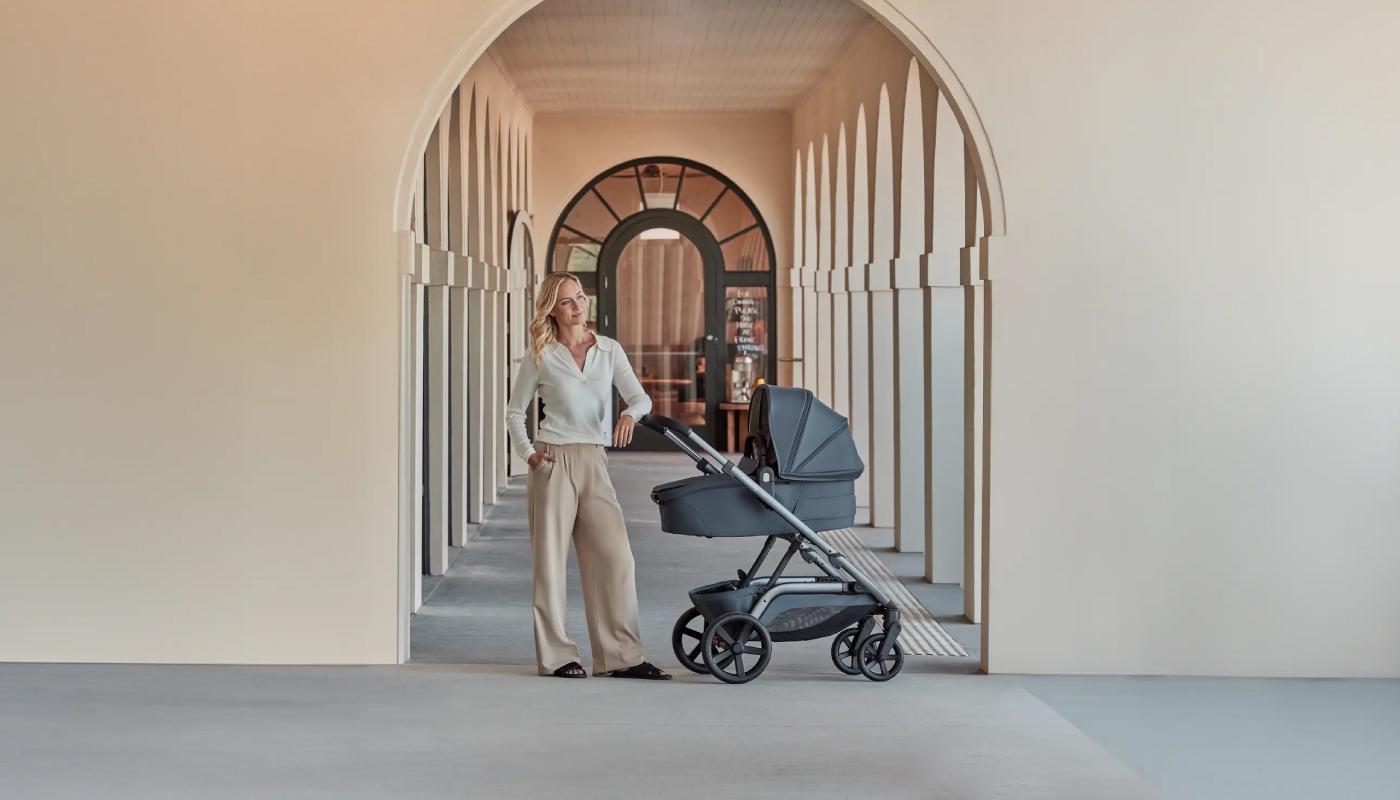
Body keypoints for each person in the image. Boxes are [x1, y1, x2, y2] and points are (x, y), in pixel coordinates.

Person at [504, 272, 672, 680]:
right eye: (567, 301)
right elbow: (514, 412)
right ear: (553, 310)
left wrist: (631, 413)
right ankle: (558, 656)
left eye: (580, 297)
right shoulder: (540, 355)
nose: (578, 306)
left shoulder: (609, 351)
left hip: (594, 461)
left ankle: (622, 657)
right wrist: (529, 455)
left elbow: (640, 396)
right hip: (552, 462)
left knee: (616, 557)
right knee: (551, 565)